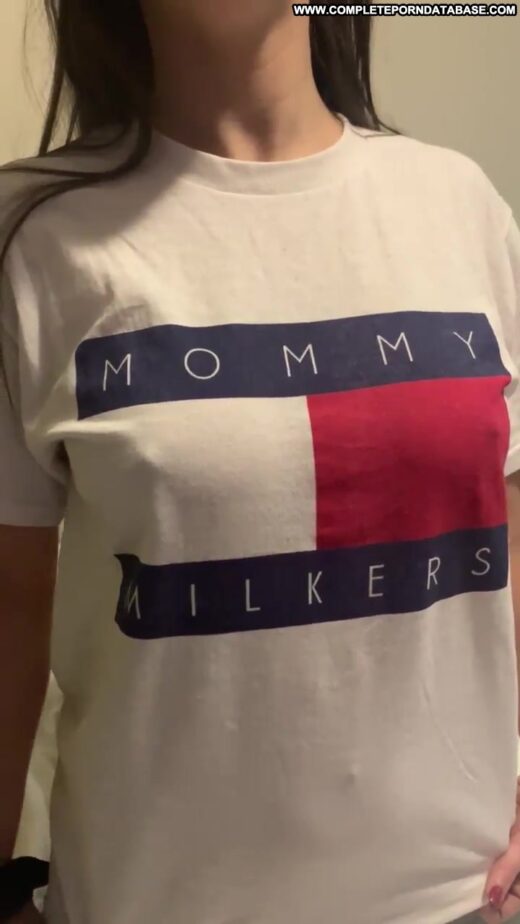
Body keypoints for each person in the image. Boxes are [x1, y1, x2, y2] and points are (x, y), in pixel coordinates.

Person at [1, 2, 520, 922]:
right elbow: (10, 611)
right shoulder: (32, 234)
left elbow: (505, 535)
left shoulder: (459, 202)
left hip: (459, 900)